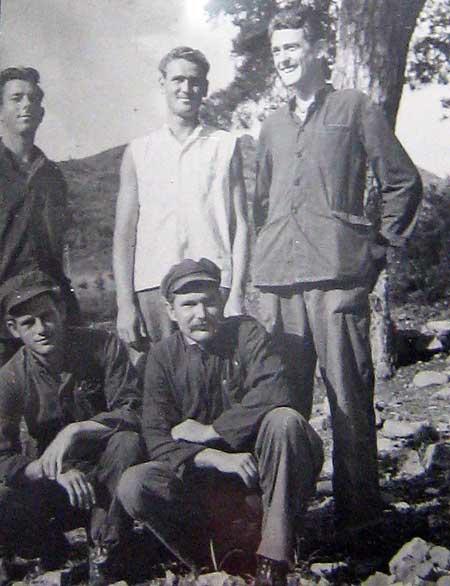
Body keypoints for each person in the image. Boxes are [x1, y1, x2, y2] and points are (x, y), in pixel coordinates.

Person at [252, 7, 423, 532]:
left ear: (319, 50)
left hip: (337, 278)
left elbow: (402, 183)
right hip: (279, 281)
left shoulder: (354, 107)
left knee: (348, 396)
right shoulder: (271, 125)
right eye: (277, 50)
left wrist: (375, 250)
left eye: (292, 48)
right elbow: (261, 199)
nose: (283, 58)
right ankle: (289, 523)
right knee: (285, 403)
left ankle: (360, 519)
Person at [117, 258, 323, 586]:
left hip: (260, 483)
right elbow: (156, 436)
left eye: (209, 302)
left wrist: (213, 431)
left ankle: (273, 560)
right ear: (171, 311)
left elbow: (276, 390)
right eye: (189, 305)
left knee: (285, 421)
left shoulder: (246, 332)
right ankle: (207, 562)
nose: (201, 314)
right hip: (204, 493)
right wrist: (214, 456)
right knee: (134, 483)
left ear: (222, 302)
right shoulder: (161, 357)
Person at [0, 271, 143, 585]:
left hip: (107, 477)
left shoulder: (102, 345)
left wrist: (76, 430)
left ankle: (106, 551)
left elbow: (133, 410)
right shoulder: (10, 378)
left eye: (46, 316)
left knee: (128, 442)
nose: (41, 329)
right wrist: (50, 470)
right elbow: (3, 458)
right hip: (56, 488)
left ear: (61, 311)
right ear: (13, 329)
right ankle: (42, 544)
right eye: (28, 323)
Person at [113, 47, 249, 351]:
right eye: (177, 79)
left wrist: (237, 290)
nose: (186, 88)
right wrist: (125, 303)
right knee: (160, 385)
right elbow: (124, 235)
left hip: (212, 289)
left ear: (205, 86)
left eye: (194, 81)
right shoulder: (139, 151)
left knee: (216, 382)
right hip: (153, 290)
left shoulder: (225, 146)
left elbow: (240, 225)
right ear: (162, 83)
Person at [0, 66, 79, 367]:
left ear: (42, 112)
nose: (26, 105)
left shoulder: (52, 175)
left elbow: (57, 249)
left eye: (33, 99)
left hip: (45, 311)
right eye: (16, 98)